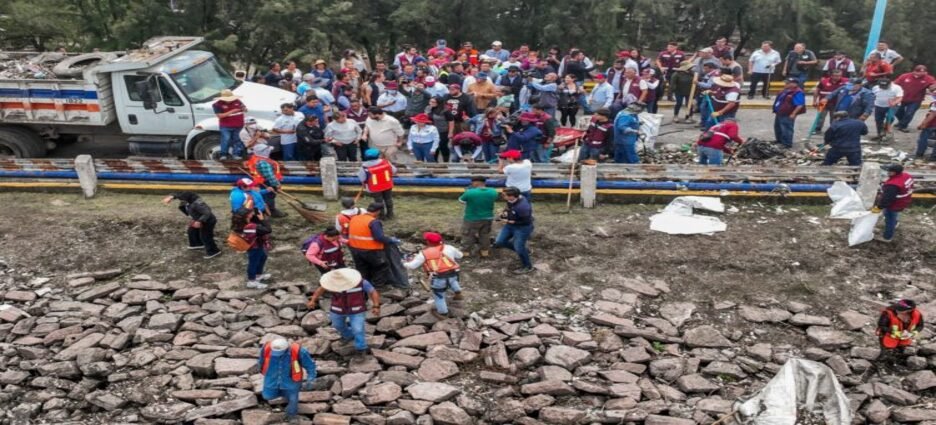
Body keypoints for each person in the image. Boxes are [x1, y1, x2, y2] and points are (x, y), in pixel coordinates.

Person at [307, 268, 381, 358]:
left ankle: (361, 348)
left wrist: (376, 306)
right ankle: (348, 335)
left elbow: (373, 292)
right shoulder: (331, 283)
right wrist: (313, 300)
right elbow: (320, 289)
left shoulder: (361, 282)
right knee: (337, 325)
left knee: (358, 329)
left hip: (356, 310)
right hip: (337, 309)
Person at [404, 232, 464, 319]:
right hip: (453, 273)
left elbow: (412, 266)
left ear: (428, 242)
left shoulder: (424, 253)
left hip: (439, 278)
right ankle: (457, 291)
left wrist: (404, 263)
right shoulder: (449, 247)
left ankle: (443, 313)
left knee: (439, 295)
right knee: (452, 281)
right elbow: (460, 255)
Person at [258, 338, 316, 424]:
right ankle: (284, 396)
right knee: (267, 396)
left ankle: (291, 414)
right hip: (272, 378)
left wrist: (311, 379)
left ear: (286, 349)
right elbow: (261, 360)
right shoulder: (266, 348)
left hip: (291, 380)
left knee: (293, 399)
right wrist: (260, 368)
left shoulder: (299, 351)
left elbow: (310, 366)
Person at [347, 202, 399, 287]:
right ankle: (376, 287)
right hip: (371, 250)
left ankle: (363, 286)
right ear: (378, 211)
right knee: (381, 266)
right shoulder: (373, 222)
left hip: (355, 249)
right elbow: (379, 237)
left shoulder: (355, 218)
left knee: (362, 268)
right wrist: (391, 240)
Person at [162, 192, 221, 259]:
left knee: (205, 236)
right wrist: (171, 197)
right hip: (198, 218)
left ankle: (214, 251)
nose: (181, 200)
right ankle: (197, 244)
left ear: (187, 199)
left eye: (182, 199)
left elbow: (207, 213)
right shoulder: (187, 200)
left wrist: (199, 221)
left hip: (208, 221)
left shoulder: (197, 204)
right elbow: (178, 194)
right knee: (192, 231)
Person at [494, 186, 534, 274]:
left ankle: (528, 266)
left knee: (519, 247)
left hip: (522, 227)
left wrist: (508, 221)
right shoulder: (513, 199)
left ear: (512, 196)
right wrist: (504, 212)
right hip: (510, 225)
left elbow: (525, 221)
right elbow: (508, 206)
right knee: (500, 242)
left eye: (504, 195)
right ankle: (525, 251)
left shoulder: (522, 207)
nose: (502, 196)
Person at [872, 163, 914, 243]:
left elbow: (887, 199)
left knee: (889, 219)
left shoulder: (893, 185)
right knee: (895, 215)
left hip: (894, 204)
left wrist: (879, 207)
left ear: (894, 172)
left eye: (889, 171)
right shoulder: (906, 175)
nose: (887, 172)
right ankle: (895, 223)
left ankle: (887, 237)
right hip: (904, 200)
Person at [232, 207, 272, 289]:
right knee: (253, 263)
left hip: (257, 245)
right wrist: (262, 219)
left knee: (262, 257)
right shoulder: (250, 226)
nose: (253, 214)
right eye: (251, 213)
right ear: (247, 216)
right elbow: (268, 229)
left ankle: (258, 275)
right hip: (254, 247)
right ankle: (251, 281)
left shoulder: (243, 223)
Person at [458, 176, 498, 257]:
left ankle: (465, 252)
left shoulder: (470, 192)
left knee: (468, 235)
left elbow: (461, 200)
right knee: (485, 235)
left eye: (472, 182)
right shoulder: (493, 191)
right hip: (488, 217)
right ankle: (485, 251)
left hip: (472, 218)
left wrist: (468, 192)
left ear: (476, 182)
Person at [245, 143, 286, 218]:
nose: (269, 151)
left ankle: (265, 211)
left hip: (259, 181)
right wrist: (277, 184)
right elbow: (269, 175)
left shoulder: (256, 158)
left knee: (263, 196)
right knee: (269, 197)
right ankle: (269, 211)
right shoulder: (264, 162)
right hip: (266, 182)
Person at [894, 65, 936, 132]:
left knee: (909, 113)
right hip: (902, 98)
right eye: (919, 72)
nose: (922, 73)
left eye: (924, 72)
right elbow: (895, 84)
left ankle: (903, 126)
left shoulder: (928, 78)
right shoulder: (905, 76)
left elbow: (932, 87)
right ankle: (902, 122)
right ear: (914, 71)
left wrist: (933, 87)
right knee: (897, 111)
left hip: (916, 100)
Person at [358, 148, 397, 218]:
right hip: (387, 185)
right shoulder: (386, 162)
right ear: (378, 155)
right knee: (388, 199)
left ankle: (381, 215)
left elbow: (362, 178)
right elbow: (394, 170)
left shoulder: (364, 166)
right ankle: (390, 214)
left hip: (375, 188)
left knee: (378, 201)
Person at [212, 89, 247, 160]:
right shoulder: (217, 104)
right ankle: (223, 154)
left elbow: (245, 109)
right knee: (226, 139)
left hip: (239, 125)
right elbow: (220, 116)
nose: (230, 100)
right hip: (226, 125)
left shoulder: (237, 101)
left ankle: (236, 154)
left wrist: (244, 109)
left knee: (237, 140)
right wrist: (232, 111)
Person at [772, 78, 806, 148]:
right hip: (780, 112)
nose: (786, 84)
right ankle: (779, 140)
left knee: (786, 128)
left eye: (788, 83)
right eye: (786, 83)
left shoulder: (798, 92)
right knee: (778, 127)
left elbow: (800, 105)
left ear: (794, 84)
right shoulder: (785, 90)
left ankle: (786, 143)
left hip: (788, 114)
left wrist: (793, 114)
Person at [915, 95, 936, 161]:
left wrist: (922, 124)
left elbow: (932, 115)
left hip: (932, 125)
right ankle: (934, 157)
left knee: (923, 138)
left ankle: (919, 154)